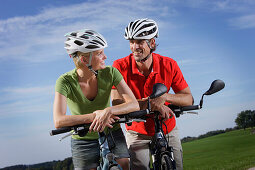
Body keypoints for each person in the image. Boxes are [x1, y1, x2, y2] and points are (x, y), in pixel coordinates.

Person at [111, 18, 193, 170]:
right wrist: (151, 103)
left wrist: (165, 97)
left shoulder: (169, 64)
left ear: (152, 43)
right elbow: (116, 104)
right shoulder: (119, 67)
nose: (135, 47)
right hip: (137, 131)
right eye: (131, 42)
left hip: (167, 127)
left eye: (140, 42)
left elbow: (188, 98)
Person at [53, 29, 139, 170]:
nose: (105, 57)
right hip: (83, 139)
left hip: (111, 132)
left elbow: (133, 104)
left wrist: (108, 111)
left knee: (124, 165)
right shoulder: (64, 81)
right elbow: (59, 120)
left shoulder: (111, 72)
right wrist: (95, 116)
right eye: (99, 53)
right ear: (84, 59)